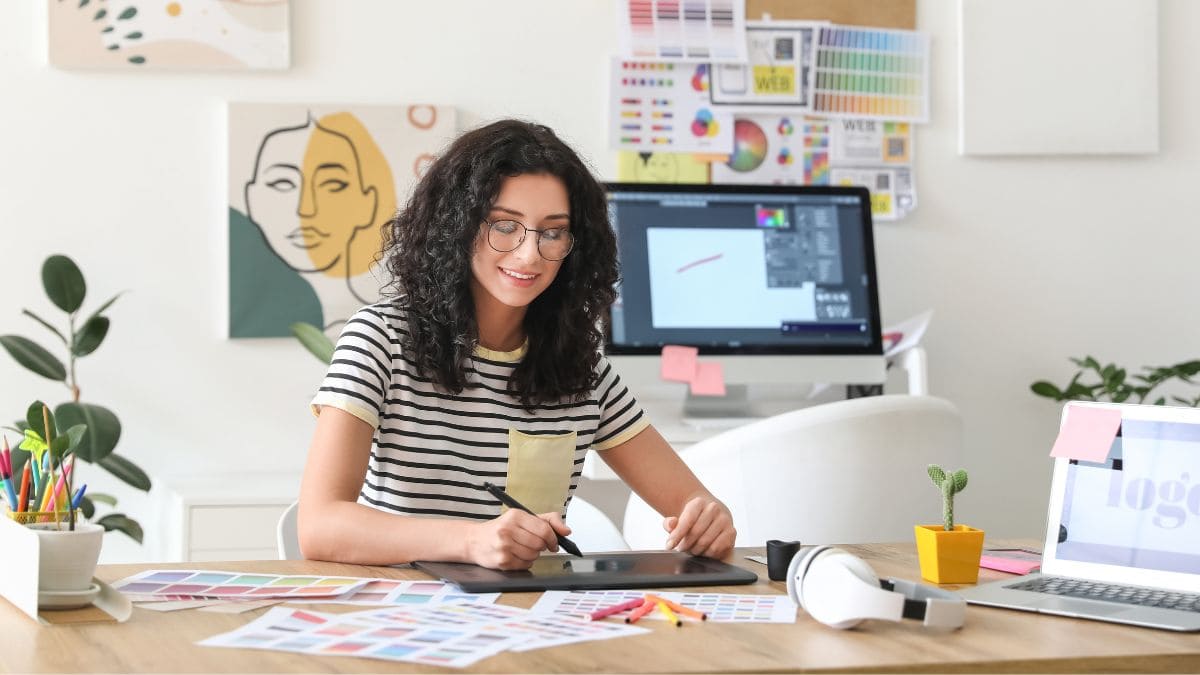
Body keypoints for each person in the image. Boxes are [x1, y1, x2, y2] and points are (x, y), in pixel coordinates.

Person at [298, 119, 736, 570]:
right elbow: (320, 527)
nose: (529, 254)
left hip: (530, 619)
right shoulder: (380, 339)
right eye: (504, 226)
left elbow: (692, 505)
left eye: (552, 233)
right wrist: (472, 541)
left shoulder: (583, 370)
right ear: (458, 227)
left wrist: (710, 520)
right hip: (405, 615)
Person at [243, 111, 397, 334]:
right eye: (283, 183)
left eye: (333, 184)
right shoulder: (376, 330)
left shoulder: (384, 329)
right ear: (252, 199)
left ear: (368, 202)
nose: (306, 209)